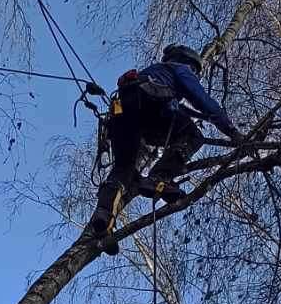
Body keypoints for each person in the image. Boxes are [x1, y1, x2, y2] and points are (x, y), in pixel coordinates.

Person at [84, 43, 242, 248]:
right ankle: (159, 177)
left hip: (122, 112)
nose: (194, 75)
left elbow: (183, 107)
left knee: (124, 168)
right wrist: (231, 130)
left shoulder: (152, 73)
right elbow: (202, 99)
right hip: (152, 110)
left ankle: (103, 219)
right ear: (187, 62)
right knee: (193, 136)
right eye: (195, 71)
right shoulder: (180, 69)